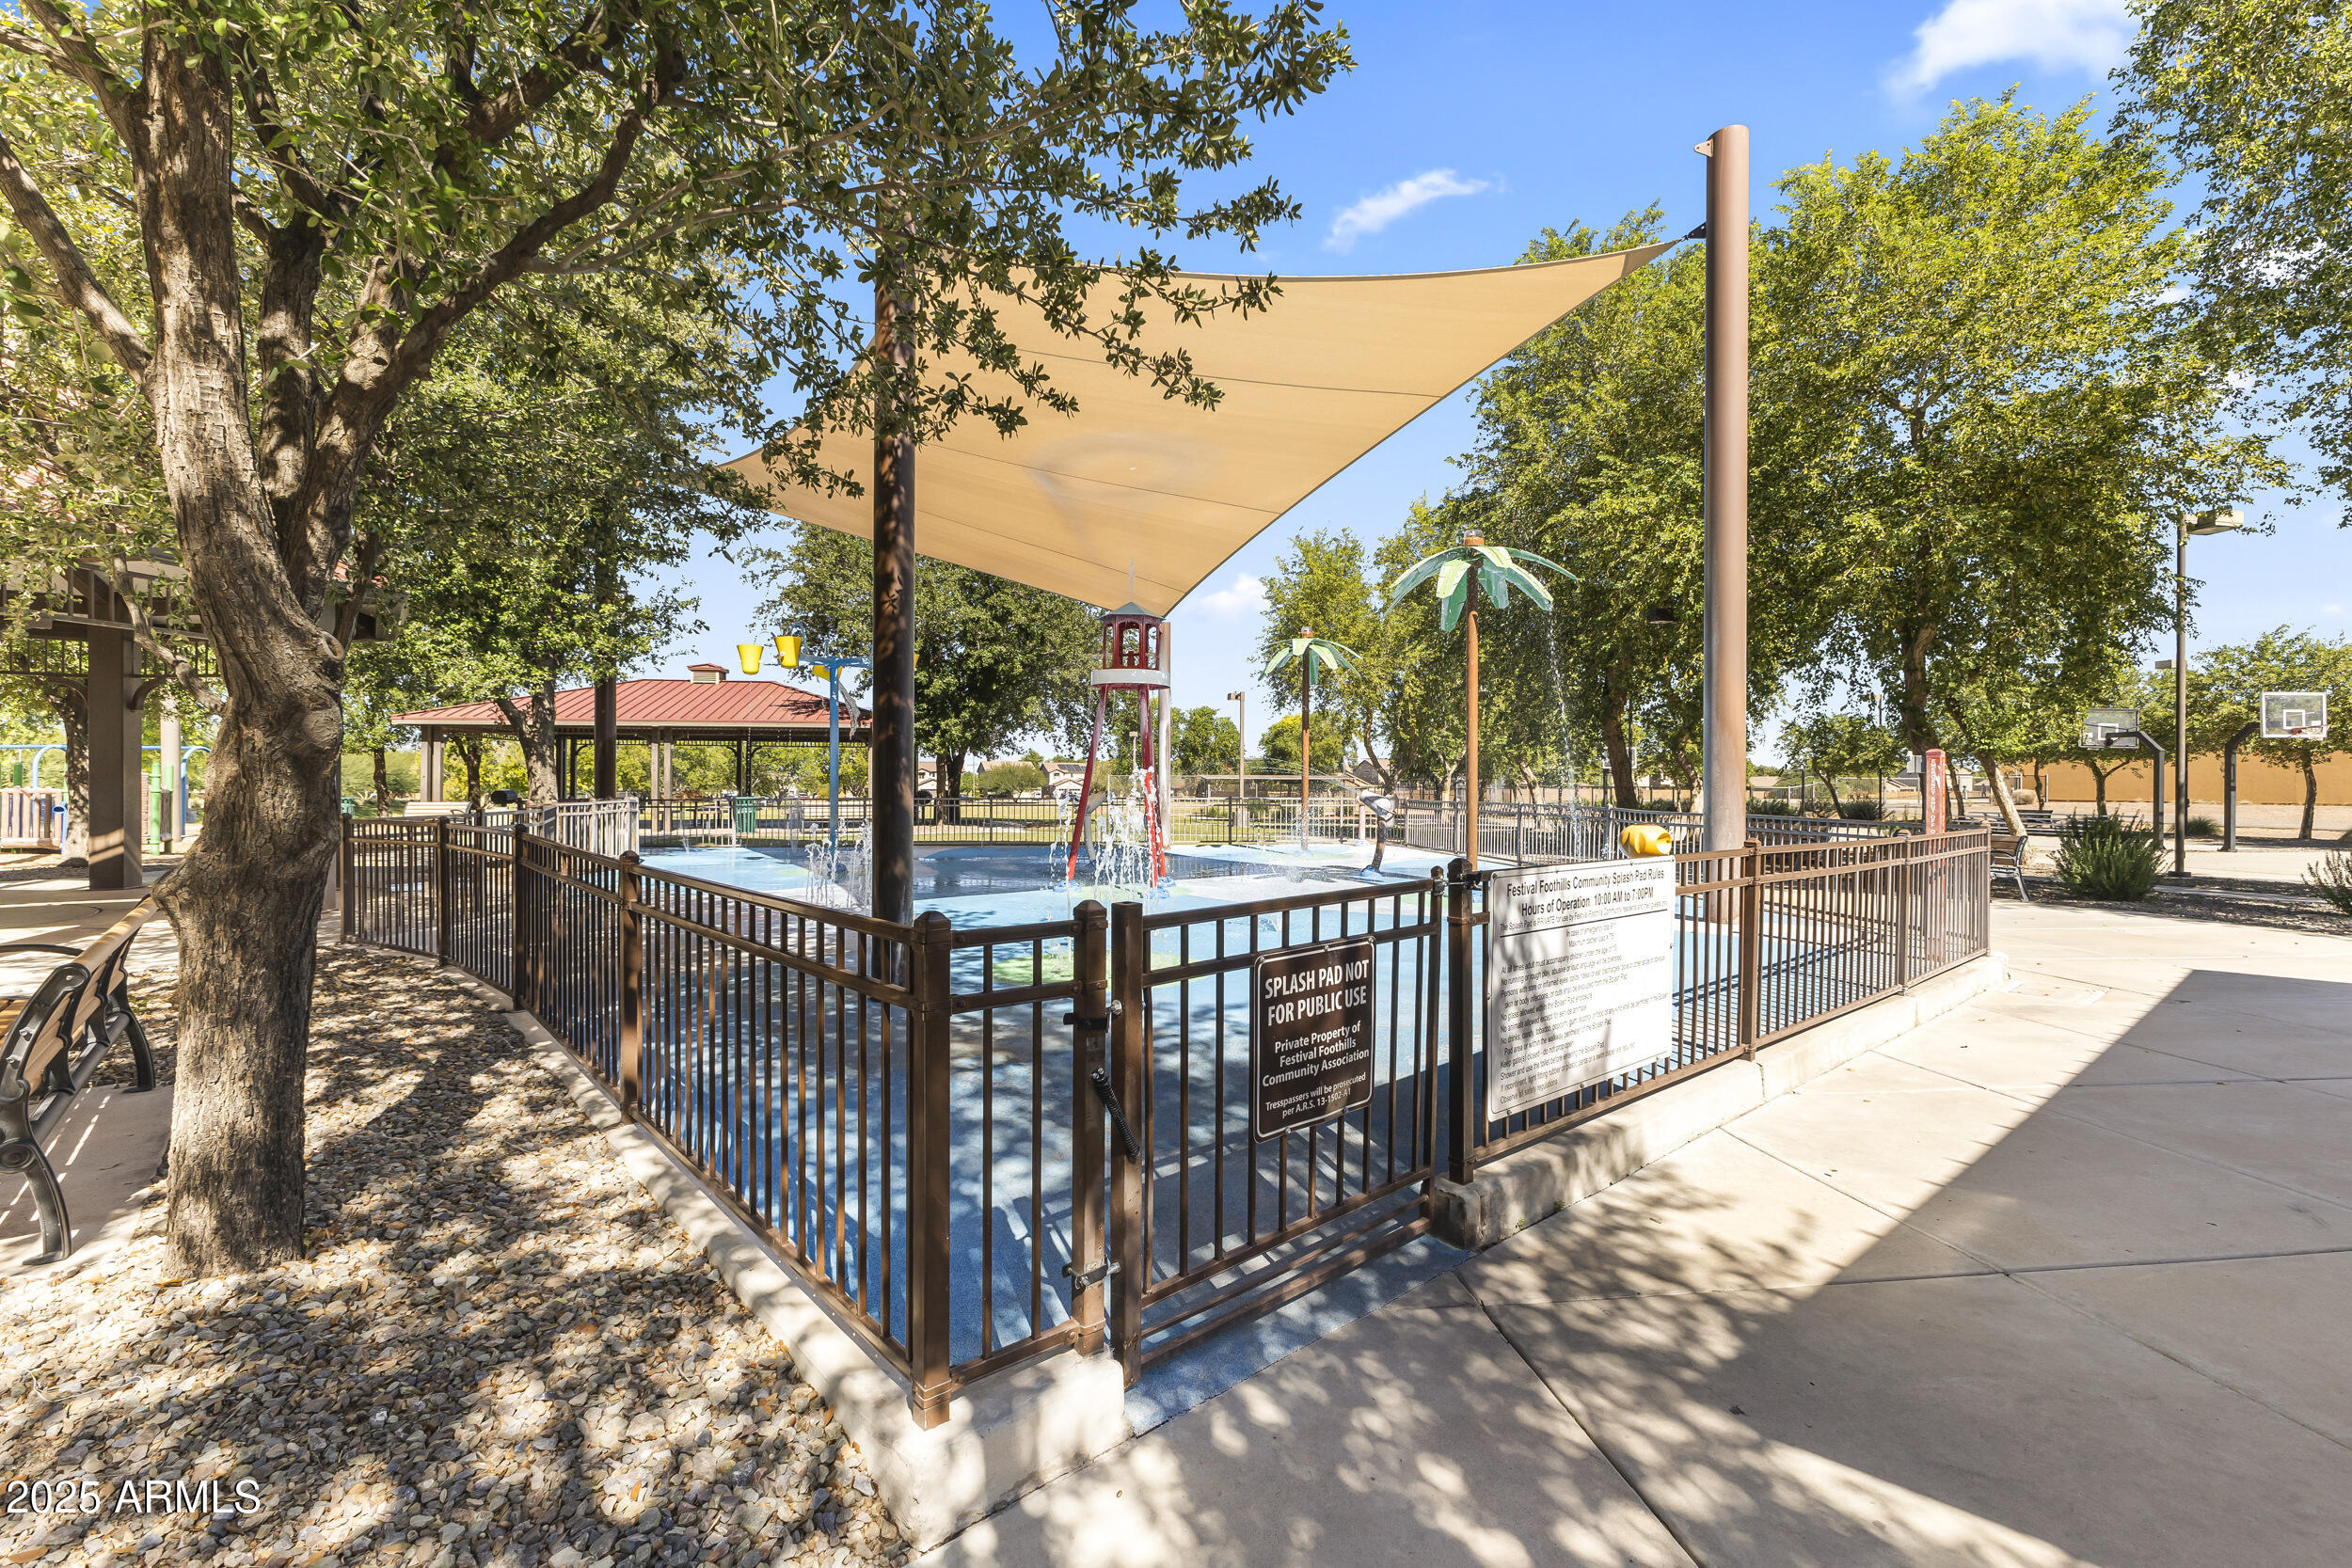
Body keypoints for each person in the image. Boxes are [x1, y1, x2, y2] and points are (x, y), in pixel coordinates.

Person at [1359, 788, 1397, 874]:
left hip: (1384, 811)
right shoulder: (1386, 805)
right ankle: (1376, 865)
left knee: (1382, 839)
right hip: (1384, 810)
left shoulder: (1386, 805)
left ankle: (1376, 865)